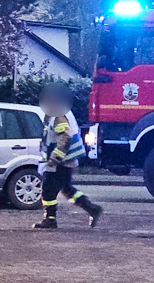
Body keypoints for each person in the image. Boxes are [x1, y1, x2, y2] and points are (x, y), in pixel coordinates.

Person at [34, 83, 103, 230]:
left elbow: (64, 138)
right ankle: (91, 208)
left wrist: (54, 159)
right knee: (66, 188)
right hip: (67, 160)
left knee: (47, 188)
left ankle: (50, 219)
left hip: (61, 161)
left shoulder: (58, 114)